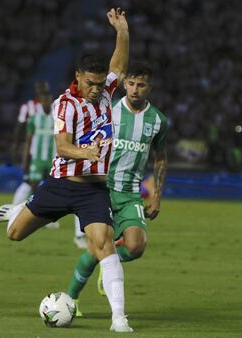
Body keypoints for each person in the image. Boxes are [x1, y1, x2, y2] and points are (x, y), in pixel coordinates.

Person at [5, 8, 131, 332]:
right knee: (14, 234)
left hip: (93, 190)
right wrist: (85, 152)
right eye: (91, 83)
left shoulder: (106, 91)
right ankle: (18, 209)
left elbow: (119, 64)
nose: (96, 89)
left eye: (101, 83)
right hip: (61, 184)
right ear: (78, 76)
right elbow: (61, 147)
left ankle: (119, 318)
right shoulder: (65, 104)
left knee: (103, 243)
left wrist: (122, 32)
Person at [66, 61, 168, 315]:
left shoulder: (157, 120)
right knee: (98, 246)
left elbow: (161, 158)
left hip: (130, 192)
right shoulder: (109, 111)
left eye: (141, 85)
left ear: (149, 88)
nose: (135, 89)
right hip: (101, 190)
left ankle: (107, 264)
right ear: (124, 84)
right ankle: (71, 298)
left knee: (135, 246)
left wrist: (156, 195)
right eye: (131, 83)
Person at [0, 82, 87, 245]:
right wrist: (23, 158)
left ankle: (31, 212)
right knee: (33, 184)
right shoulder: (34, 117)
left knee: (57, 190)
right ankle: (19, 209)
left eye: (47, 98)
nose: (45, 101)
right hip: (37, 158)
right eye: (42, 98)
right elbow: (28, 139)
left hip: (55, 159)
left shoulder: (58, 116)